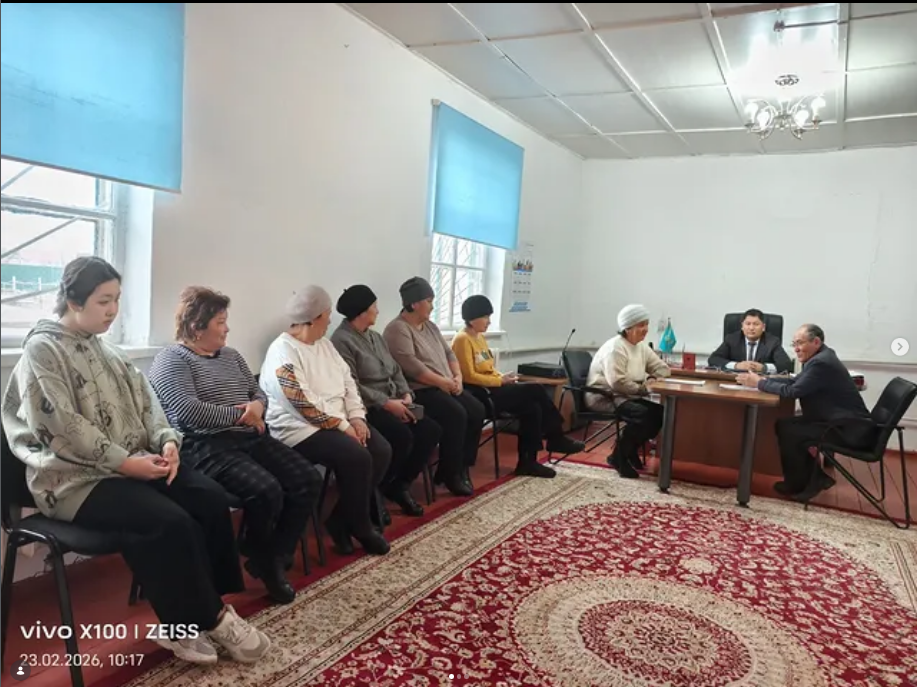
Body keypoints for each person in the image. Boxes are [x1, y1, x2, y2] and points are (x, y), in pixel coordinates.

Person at [0, 257, 270, 665]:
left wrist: (167, 442)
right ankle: (213, 618)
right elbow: (63, 427)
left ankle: (189, 619)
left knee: (209, 498)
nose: (113, 310)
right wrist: (126, 464)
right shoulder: (42, 350)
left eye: (117, 299)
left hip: (127, 464)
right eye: (103, 301)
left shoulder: (107, 350)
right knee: (169, 520)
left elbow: (148, 404)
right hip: (72, 480)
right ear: (73, 301)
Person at [148, 286, 323, 604]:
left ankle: (269, 554)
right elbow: (187, 411)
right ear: (196, 326)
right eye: (220, 322)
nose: (227, 328)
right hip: (204, 445)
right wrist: (243, 415)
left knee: (307, 479)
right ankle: (268, 561)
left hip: (248, 436)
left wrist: (257, 406)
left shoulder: (231, 356)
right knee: (266, 490)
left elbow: (257, 392)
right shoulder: (171, 360)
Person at [259, 285, 391, 556]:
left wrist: (357, 417)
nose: (331, 320)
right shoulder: (282, 351)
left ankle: (341, 521)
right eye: (327, 314)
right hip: (299, 428)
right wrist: (344, 426)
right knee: (357, 457)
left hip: (338, 421)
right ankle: (362, 527)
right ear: (315, 317)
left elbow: (348, 382)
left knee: (381, 450)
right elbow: (302, 403)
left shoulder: (325, 344)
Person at [331, 284, 441, 516]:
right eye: (374, 306)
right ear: (361, 312)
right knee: (401, 437)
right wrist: (387, 403)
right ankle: (375, 490)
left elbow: (395, 369)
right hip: (368, 407)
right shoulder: (341, 341)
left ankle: (399, 485)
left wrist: (405, 393)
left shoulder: (376, 337)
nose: (378, 311)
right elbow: (351, 385)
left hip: (395, 400)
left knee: (430, 430)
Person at [737, 323, 877, 502]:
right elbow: (796, 383)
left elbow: (793, 391)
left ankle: (808, 482)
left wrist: (759, 383)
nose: (796, 349)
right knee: (785, 426)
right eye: (794, 344)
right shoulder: (822, 356)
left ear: (816, 342)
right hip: (841, 423)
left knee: (792, 431)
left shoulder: (821, 363)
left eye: (800, 343)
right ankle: (808, 480)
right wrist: (764, 380)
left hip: (849, 430)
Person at [451, 295, 585, 478]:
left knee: (533, 408)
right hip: (481, 394)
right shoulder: (462, 339)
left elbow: (488, 368)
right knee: (535, 389)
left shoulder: (479, 338)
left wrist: (503, 377)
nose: (489, 321)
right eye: (486, 317)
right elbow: (468, 376)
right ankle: (555, 437)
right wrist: (500, 381)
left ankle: (528, 462)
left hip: (494, 387)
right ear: (473, 318)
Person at [383, 277, 484, 497]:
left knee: (477, 410)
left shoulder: (430, 326)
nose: (432, 306)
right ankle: (450, 474)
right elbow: (413, 368)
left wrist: (457, 377)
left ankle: (460, 466)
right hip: (420, 390)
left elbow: (449, 353)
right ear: (414, 303)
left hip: (445, 384)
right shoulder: (397, 329)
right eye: (429, 301)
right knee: (456, 414)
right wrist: (443, 382)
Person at [585, 304, 671, 478]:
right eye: (641, 325)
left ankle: (629, 450)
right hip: (605, 396)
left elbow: (663, 369)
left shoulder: (641, 346)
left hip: (627, 395)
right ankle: (618, 457)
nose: (646, 329)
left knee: (661, 413)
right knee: (644, 415)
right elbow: (617, 382)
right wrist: (642, 388)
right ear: (627, 328)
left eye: (647, 324)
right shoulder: (615, 348)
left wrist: (651, 378)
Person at [708, 308, 793, 374]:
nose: (751, 328)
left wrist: (764, 368)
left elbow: (786, 365)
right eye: (748, 324)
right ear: (742, 326)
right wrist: (736, 365)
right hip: (735, 380)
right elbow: (713, 359)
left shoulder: (772, 342)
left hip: (761, 384)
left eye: (756, 324)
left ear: (763, 327)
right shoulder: (732, 339)